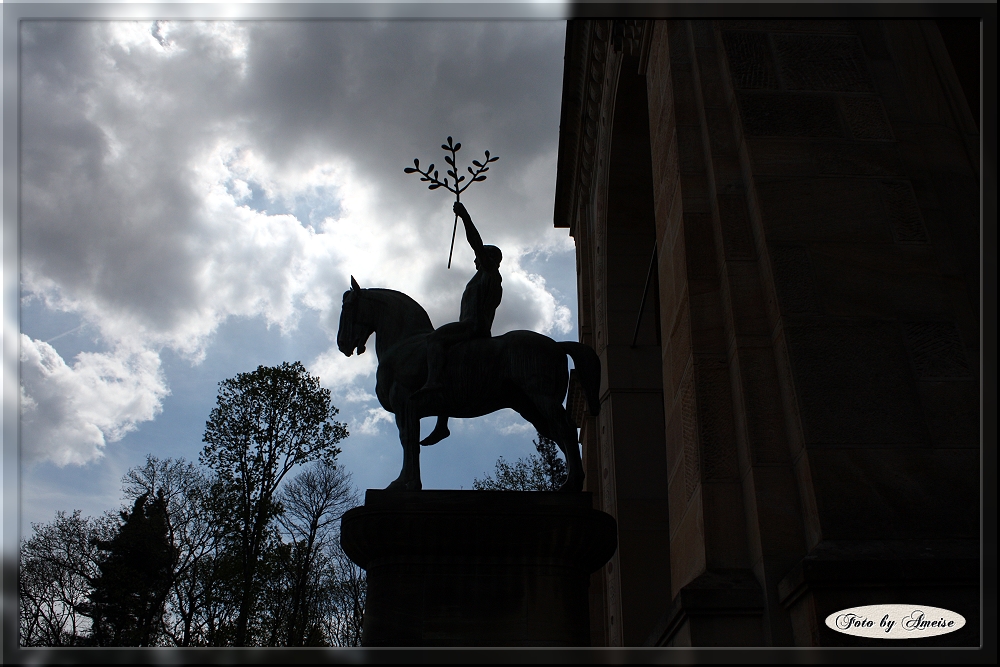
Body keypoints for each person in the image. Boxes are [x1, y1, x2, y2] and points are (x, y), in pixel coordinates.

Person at [415, 201, 502, 397]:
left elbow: (476, 244)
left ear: (488, 258)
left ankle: (433, 381)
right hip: (472, 325)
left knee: (435, 338)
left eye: (479, 256)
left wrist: (465, 216)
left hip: (474, 326)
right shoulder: (484, 277)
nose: (474, 259)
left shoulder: (490, 273)